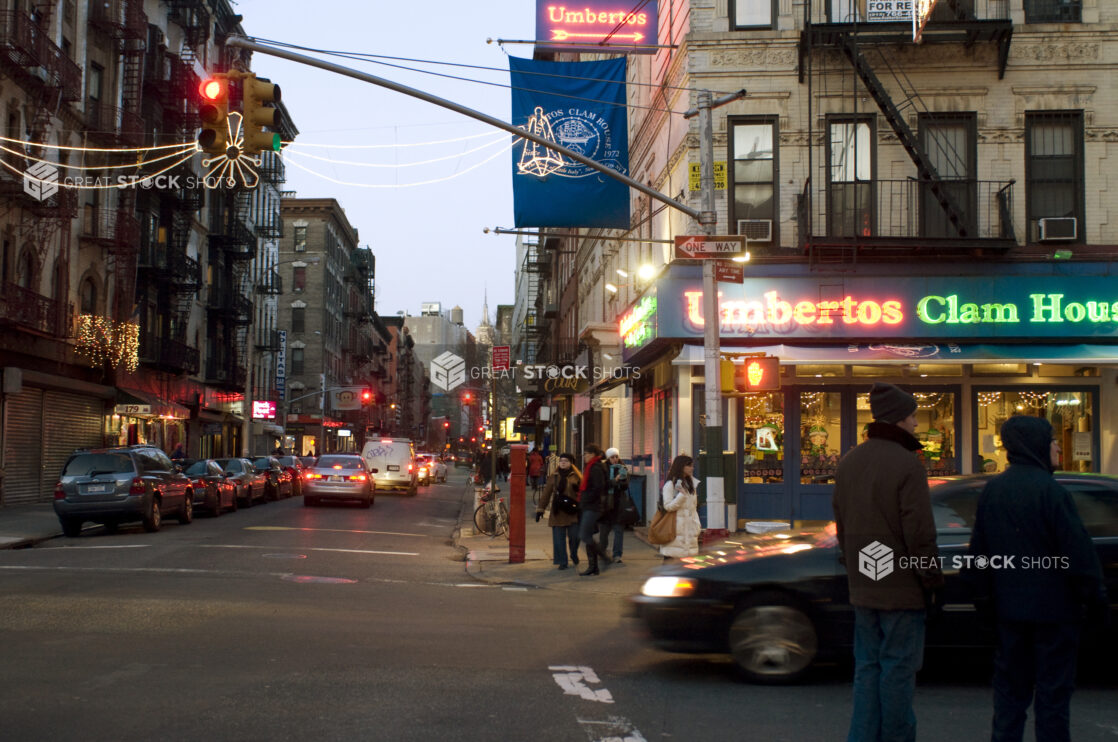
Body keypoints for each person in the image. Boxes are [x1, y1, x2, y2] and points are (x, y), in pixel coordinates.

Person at [965, 415, 1107, 742]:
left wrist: (984, 603)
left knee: (1009, 700)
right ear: (1037, 445)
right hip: (1055, 615)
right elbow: (1078, 553)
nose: (1058, 447)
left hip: (1009, 614)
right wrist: (1095, 600)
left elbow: (979, 555)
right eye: (1053, 440)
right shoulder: (1051, 492)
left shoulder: (993, 491)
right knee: (1052, 700)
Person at [832, 382, 942, 742]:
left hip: (864, 585)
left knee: (867, 667)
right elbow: (919, 533)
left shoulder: (849, 461)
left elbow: (842, 524)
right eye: (912, 417)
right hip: (901, 590)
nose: (915, 424)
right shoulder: (908, 465)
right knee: (897, 670)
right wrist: (930, 581)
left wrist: (855, 569)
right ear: (897, 419)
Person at [535, 452, 582, 570]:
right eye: (561, 461)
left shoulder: (577, 476)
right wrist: (540, 509)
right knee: (558, 539)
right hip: (558, 511)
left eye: (566, 461)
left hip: (573, 511)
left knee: (575, 536)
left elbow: (583, 493)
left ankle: (574, 553)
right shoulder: (554, 476)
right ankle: (562, 561)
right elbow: (546, 493)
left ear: (571, 463)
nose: (563, 463)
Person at [576, 443, 611, 576]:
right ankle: (593, 567)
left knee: (584, 535)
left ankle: (604, 557)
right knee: (588, 535)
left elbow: (598, 487)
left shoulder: (595, 467)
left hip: (593, 506)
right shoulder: (591, 467)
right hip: (588, 506)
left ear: (592, 455)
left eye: (586, 454)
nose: (584, 456)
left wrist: (587, 499)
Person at [659, 454, 701, 559]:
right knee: (670, 570)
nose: (692, 468)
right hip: (674, 533)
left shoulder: (691, 485)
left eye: (692, 465)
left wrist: (697, 525)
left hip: (690, 533)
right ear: (681, 466)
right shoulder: (670, 485)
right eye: (689, 466)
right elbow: (668, 506)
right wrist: (681, 496)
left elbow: (693, 508)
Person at [601, 447, 629, 564]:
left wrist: (620, 481)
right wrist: (614, 480)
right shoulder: (603, 468)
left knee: (618, 530)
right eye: (612, 457)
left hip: (618, 503)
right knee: (604, 531)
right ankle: (602, 552)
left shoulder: (622, 468)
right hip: (607, 504)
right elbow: (603, 485)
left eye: (616, 456)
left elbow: (625, 485)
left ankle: (617, 554)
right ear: (608, 458)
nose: (615, 459)